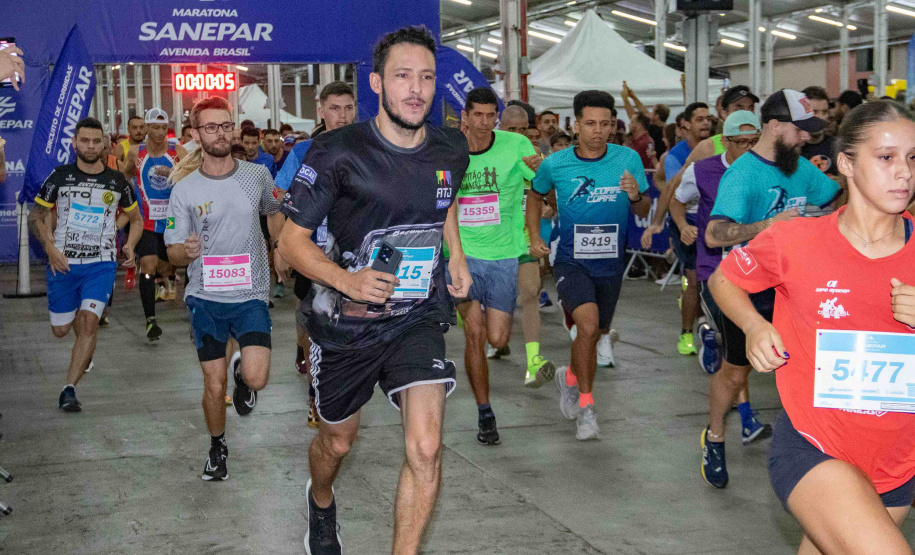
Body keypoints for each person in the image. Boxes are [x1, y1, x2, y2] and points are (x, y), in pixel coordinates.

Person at [277, 25, 471, 555]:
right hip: (345, 324)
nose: (416, 89)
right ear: (378, 84)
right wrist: (348, 280)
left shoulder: (451, 147)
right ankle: (320, 500)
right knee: (337, 442)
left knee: (426, 447)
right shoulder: (337, 153)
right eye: (403, 76)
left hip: (418, 314)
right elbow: (291, 244)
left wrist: (455, 254)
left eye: (427, 77)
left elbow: (444, 199)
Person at [710, 100, 915, 555]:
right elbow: (723, 279)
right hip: (815, 446)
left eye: (912, 157)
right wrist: (754, 325)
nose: (903, 172)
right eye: (886, 157)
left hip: (898, 462)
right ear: (846, 163)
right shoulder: (794, 239)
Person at [700, 89, 841, 489]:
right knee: (735, 372)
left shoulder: (799, 167)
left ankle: (818, 446)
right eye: (800, 131)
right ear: (775, 126)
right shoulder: (742, 174)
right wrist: (767, 226)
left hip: (794, 286)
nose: (806, 139)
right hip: (745, 286)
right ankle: (714, 437)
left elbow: (834, 200)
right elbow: (714, 234)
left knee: (808, 364)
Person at [165, 96, 283, 482]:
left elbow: (275, 210)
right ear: (196, 134)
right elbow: (172, 251)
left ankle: (243, 378)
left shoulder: (256, 176)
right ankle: (217, 447)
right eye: (211, 127)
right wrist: (185, 250)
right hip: (205, 298)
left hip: (250, 292)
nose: (220, 133)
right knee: (213, 386)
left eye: (225, 125)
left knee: (258, 378)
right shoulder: (184, 189)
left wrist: (280, 248)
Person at [528, 90, 650, 441]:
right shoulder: (557, 163)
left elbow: (642, 210)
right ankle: (586, 407)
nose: (599, 131)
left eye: (605, 124)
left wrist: (634, 196)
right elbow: (536, 195)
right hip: (570, 260)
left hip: (611, 263)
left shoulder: (627, 158)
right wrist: (536, 235)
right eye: (591, 124)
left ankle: (569, 378)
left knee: (592, 334)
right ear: (576, 124)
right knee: (588, 323)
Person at [669, 110, 774, 483]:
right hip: (718, 272)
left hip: (764, 276)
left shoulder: (768, 170)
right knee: (739, 357)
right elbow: (676, 199)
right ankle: (724, 431)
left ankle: (712, 339)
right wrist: (681, 226)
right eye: (740, 142)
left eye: (752, 142)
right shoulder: (704, 170)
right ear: (725, 141)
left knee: (742, 355)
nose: (747, 149)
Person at [27, 117, 143, 412]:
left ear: (105, 144)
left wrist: (127, 244)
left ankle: (69, 389)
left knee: (90, 321)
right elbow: (37, 216)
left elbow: (136, 219)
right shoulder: (59, 176)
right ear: (74, 143)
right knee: (61, 330)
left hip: (101, 264)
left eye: (96, 141)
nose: (90, 146)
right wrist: (50, 248)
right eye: (84, 141)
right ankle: (84, 346)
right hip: (64, 263)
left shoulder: (117, 181)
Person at [451, 91, 547, 446]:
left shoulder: (515, 144)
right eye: (477, 115)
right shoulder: (450, 150)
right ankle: (484, 411)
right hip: (462, 256)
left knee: (498, 338)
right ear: (465, 116)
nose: (483, 123)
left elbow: (539, 188)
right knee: (474, 332)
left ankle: (485, 402)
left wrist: (543, 171)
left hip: (504, 255)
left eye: (490, 115)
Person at [274, 80, 356, 429]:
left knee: (349, 327)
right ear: (321, 111)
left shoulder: (370, 147)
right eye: (334, 108)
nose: (342, 115)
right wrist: (280, 247)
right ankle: (315, 395)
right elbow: (279, 200)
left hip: (356, 253)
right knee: (314, 319)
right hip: (313, 250)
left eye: (348, 107)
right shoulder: (303, 151)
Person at [123, 108, 187, 340]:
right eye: (155, 127)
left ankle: (176, 288)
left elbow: (192, 177)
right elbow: (126, 176)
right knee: (148, 265)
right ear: (146, 128)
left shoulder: (176, 151)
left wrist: (175, 174)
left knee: (170, 265)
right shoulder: (135, 152)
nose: (160, 132)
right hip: (146, 219)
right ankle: (150, 320)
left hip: (172, 219)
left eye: (163, 127)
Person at [620, 81, 669, 156]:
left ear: (657, 116)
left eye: (652, 111)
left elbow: (635, 118)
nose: (649, 113)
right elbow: (643, 112)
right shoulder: (665, 127)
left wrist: (625, 100)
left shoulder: (654, 129)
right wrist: (633, 97)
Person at [800, 86, 838, 176]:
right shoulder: (789, 149)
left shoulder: (838, 146)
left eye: (824, 112)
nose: (820, 117)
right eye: (814, 112)